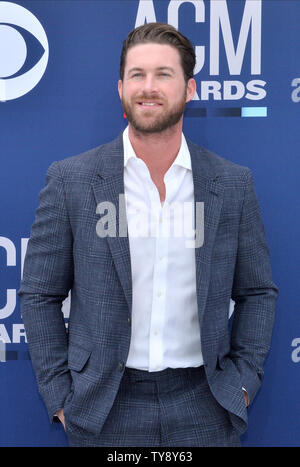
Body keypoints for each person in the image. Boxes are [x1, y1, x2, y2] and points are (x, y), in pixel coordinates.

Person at [18, 22, 278, 447]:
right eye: (137, 75)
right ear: (121, 88)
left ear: (189, 89)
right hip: (103, 408)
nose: (148, 87)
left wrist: (243, 384)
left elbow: (257, 292)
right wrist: (61, 397)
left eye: (163, 74)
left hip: (205, 405)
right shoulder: (72, 180)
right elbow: (39, 294)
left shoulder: (232, 184)